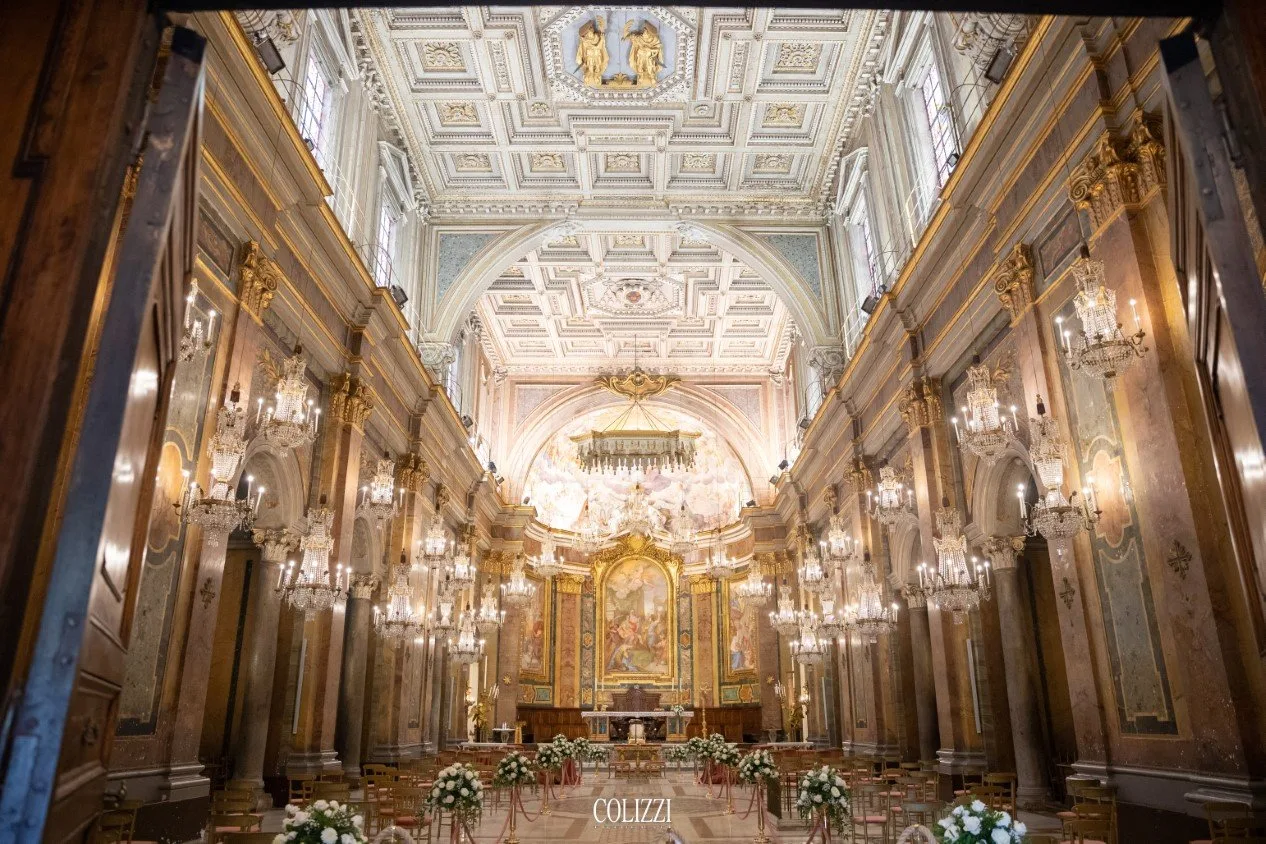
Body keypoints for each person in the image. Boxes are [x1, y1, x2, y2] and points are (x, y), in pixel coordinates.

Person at [575, 17, 608, 87]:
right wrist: (601, 40)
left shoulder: (596, 37)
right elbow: (596, 46)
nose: (590, 34)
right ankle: (591, 77)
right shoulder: (585, 41)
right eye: (588, 32)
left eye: (591, 31)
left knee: (597, 68)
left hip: (596, 55)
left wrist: (601, 39)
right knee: (590, 68)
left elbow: (599, 46)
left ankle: (596, 77)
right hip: (590, 56)